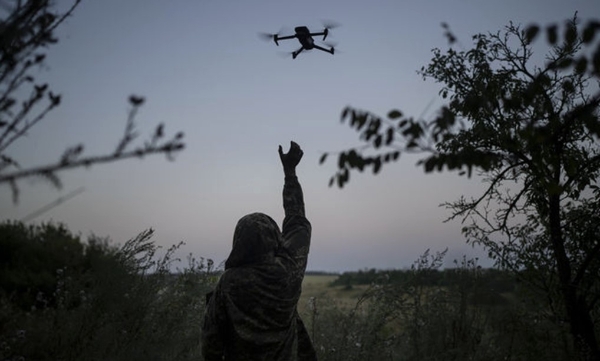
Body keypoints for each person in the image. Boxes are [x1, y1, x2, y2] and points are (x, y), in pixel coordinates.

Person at [201, 141, 317, 361]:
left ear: (239, 242)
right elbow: (297, 222)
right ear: (275, 239)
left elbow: (211, 341)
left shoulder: (228, 283)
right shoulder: (289, 270)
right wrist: (290, 173)